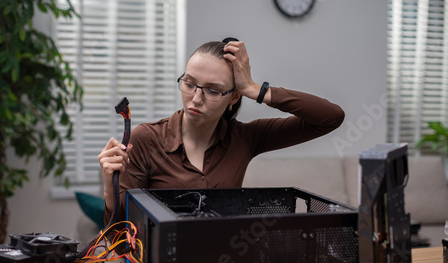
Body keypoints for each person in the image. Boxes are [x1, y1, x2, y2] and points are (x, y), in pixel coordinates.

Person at [99, 39, 345, 224]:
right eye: (189, 83)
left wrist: (255, 88)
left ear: (233, 97)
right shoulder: (145, 140)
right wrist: (110, 187)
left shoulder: (245, 138)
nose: (196, 99)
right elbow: (120, 236)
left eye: (213, 91)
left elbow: (330, 118)